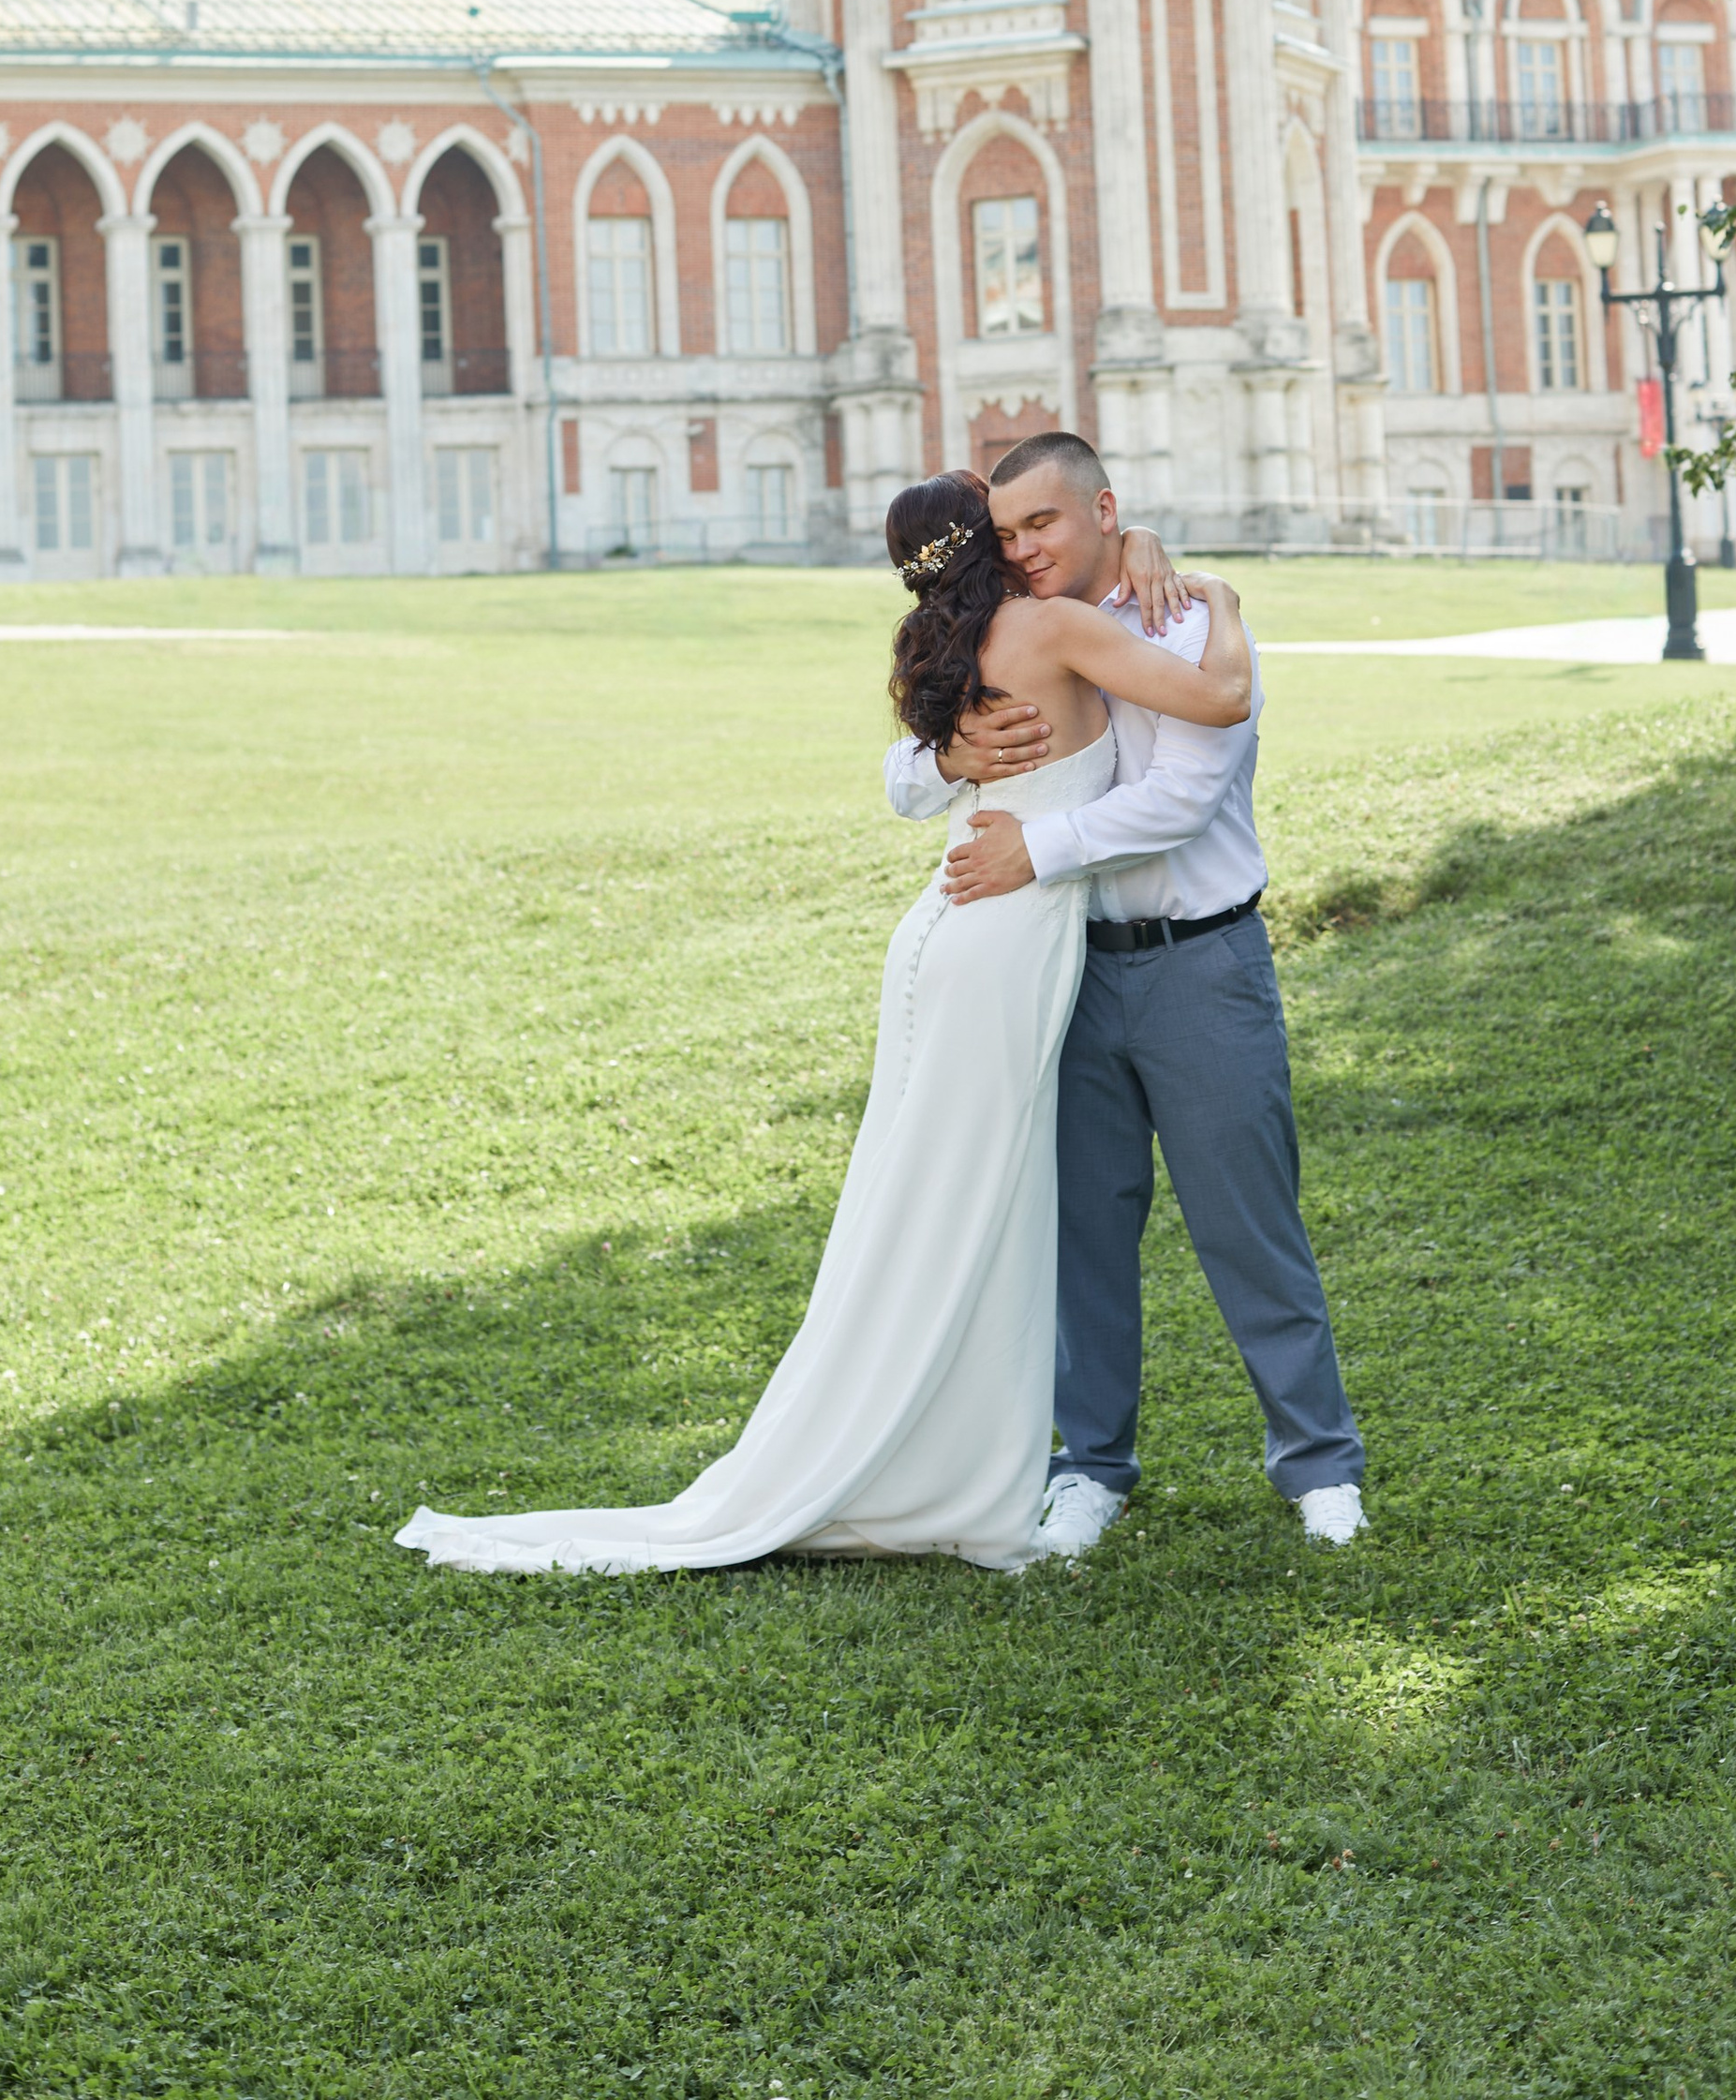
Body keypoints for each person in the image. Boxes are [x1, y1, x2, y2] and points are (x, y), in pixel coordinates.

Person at [393, 469, 1253, 1578]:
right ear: (990, 547)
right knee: (965, 1203)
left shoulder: (961, 643)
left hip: (949, 927)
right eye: (1008, 529)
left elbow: (926, 771)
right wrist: (1220, 596)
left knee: (930, 1195)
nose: (1029, 543)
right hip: (1002, 932)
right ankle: (930, 1472)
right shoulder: (1056, 627)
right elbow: (1218, 699)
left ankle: (934, 1460)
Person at [887, 432, 1367, 1557]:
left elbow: (1180, 801)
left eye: (1043, 524)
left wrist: (1033, 848)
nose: (1023, 550)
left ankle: (1318, 1465)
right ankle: (1090, 1465)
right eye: (1005, 535)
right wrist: (953, 758)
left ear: (1104, 509)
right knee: (1081, 1234)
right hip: (1064, 974)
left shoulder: (1188, 621)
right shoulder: (1022, 628)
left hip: (1203, 966)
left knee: (1248, 1227)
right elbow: (902, 770)